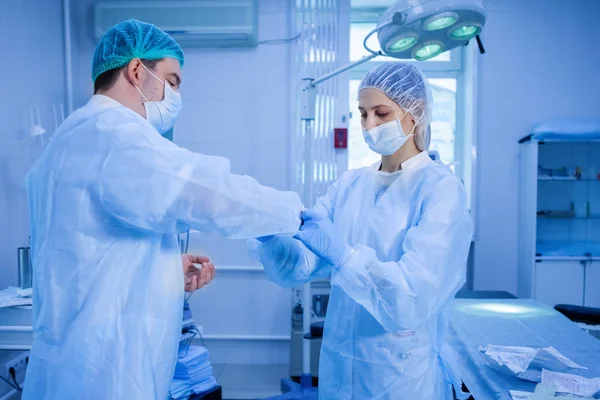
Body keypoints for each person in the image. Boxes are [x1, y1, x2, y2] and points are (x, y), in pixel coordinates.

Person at [22, 19, 302, 399]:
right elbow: (208, 193)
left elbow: (84, 257)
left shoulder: (67, 140)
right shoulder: (113, 135)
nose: (175, 95)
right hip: (106, 374)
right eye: (172, 81)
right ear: (136, 70)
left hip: (67, 360)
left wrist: (165, 271)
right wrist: (294, 213)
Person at [250, 62, 473, 400]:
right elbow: (297, 268)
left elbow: (410, 299)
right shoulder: (349, 185)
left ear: (416, 113)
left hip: (399, 376)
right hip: (339, 372)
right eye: (362, 114)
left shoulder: (441, 190)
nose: (370, 125)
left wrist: (344, 256)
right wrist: (271, 234)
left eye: (381, 113)